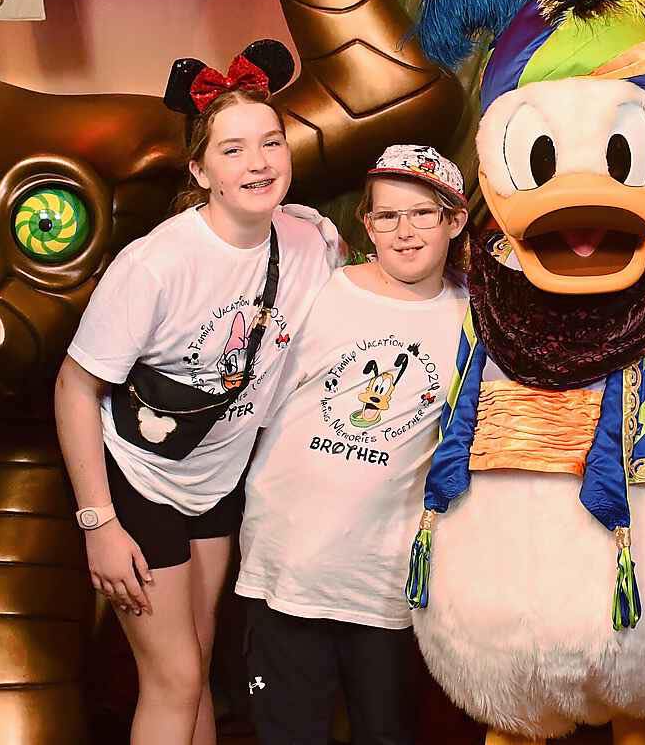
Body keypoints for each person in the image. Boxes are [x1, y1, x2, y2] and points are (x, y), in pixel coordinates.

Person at [53, 41, 340, 745]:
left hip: (216, 480)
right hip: (136, 478)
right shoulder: (156, 264)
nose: (259, 162)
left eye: (271, 142)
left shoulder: (311, 243)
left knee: (199, 662)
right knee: (174, 678)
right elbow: (73, 387)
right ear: (200, 169)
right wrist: (98, 523)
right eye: (233, 149)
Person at [234, 145, 469, 744]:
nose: (405, 231)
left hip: (384, 584)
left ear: (455, 221)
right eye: (387, 216)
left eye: (423, 213)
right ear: (367, 224)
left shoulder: (469, 322)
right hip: (287, 568)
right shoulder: (323, 291)